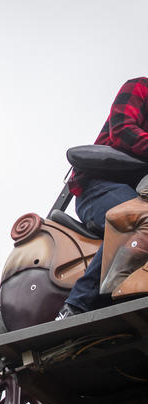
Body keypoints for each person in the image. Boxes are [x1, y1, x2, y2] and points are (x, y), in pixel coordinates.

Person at [58, 77, 148, 319]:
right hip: (98, 188)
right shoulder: (141, 87)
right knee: (140, 218)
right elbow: (122, 131)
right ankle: (76, 306)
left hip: (139, 194)